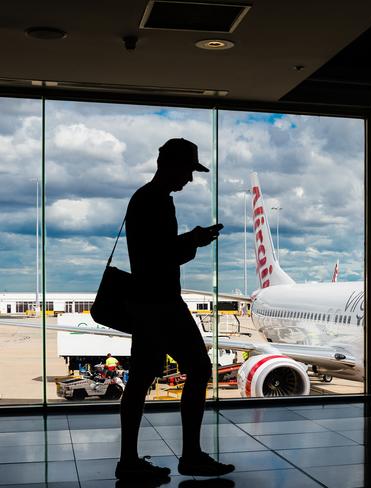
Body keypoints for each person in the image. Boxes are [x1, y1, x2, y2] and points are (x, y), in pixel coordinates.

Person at [115, 138, 235, 480]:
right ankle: (191, 455)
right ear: (170, 165)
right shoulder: (155, 202)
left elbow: (152, 252)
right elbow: (161, 255)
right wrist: (192, 241)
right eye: (188, 170)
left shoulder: (144, 199)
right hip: (161, 301)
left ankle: (129, 460)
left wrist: (187, 241)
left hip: (149, 301)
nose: (190, 179)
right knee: (199, 367)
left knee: (140, 380)